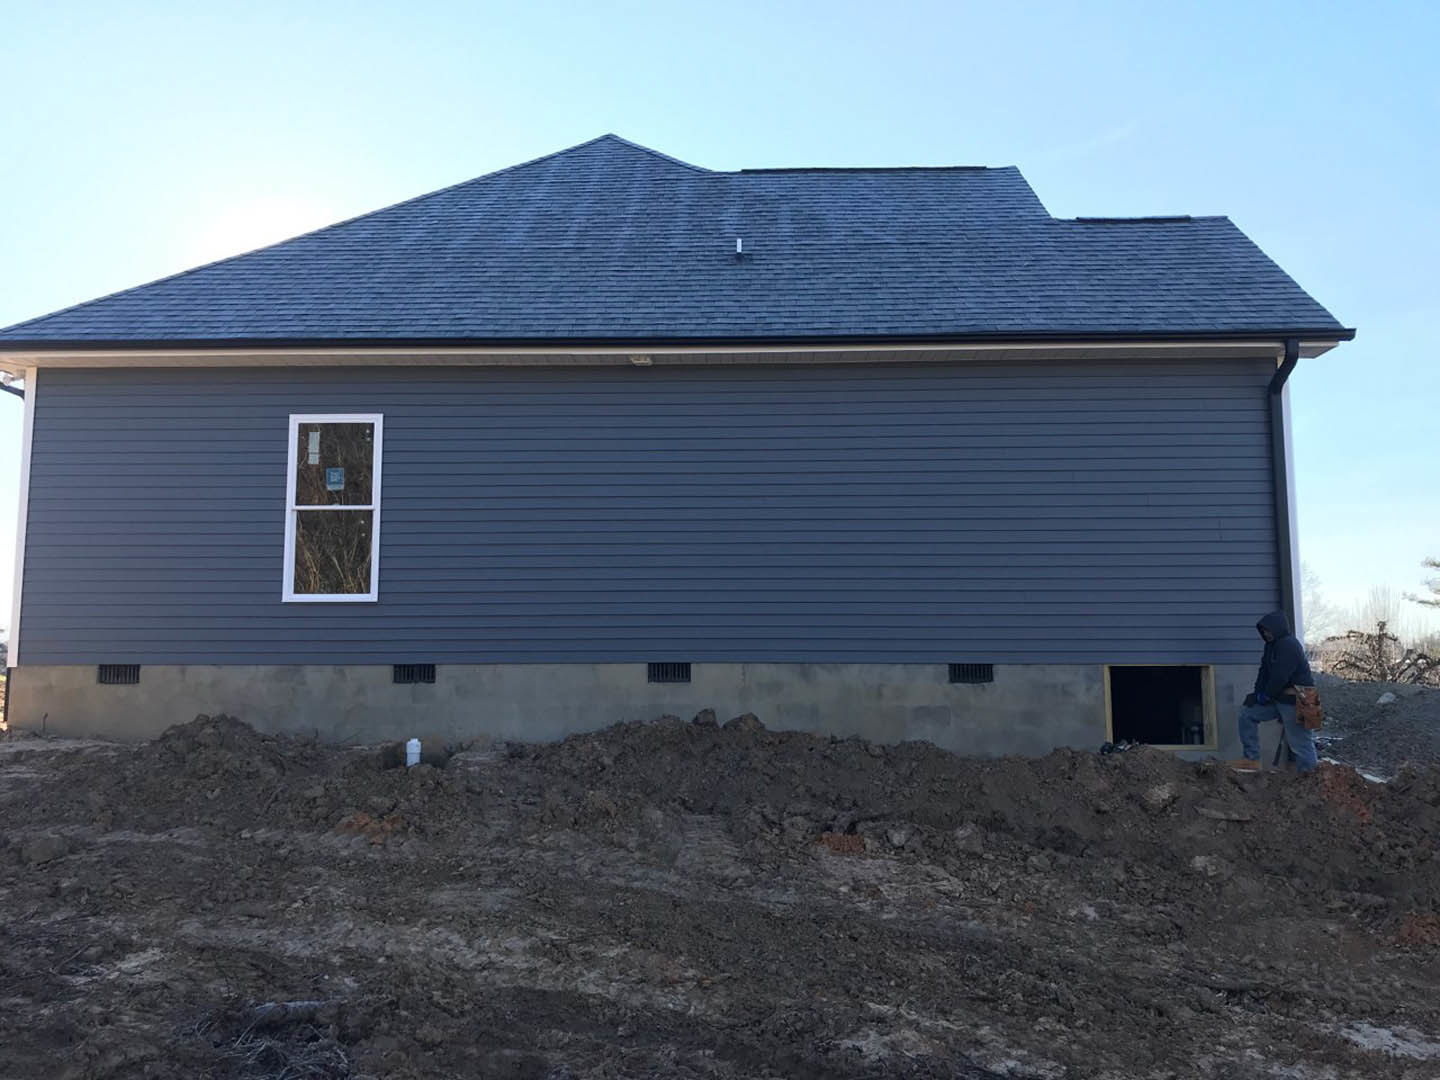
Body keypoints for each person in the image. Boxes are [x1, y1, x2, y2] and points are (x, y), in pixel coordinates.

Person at [1234, 610, 1317, 773]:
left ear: (1277, 628)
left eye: (1268, 630)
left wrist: (1266, 695)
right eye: (1263, 631)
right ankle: (1251, 759)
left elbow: (1280, 676)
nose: (1265, 633)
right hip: (1280, 697)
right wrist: (1256, 694)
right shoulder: (1270, 646)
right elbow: (1264, 672)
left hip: (1302, 698)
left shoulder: (1289, 645)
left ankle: (1311, 779)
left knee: (1301, 744)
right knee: (1247, 714)